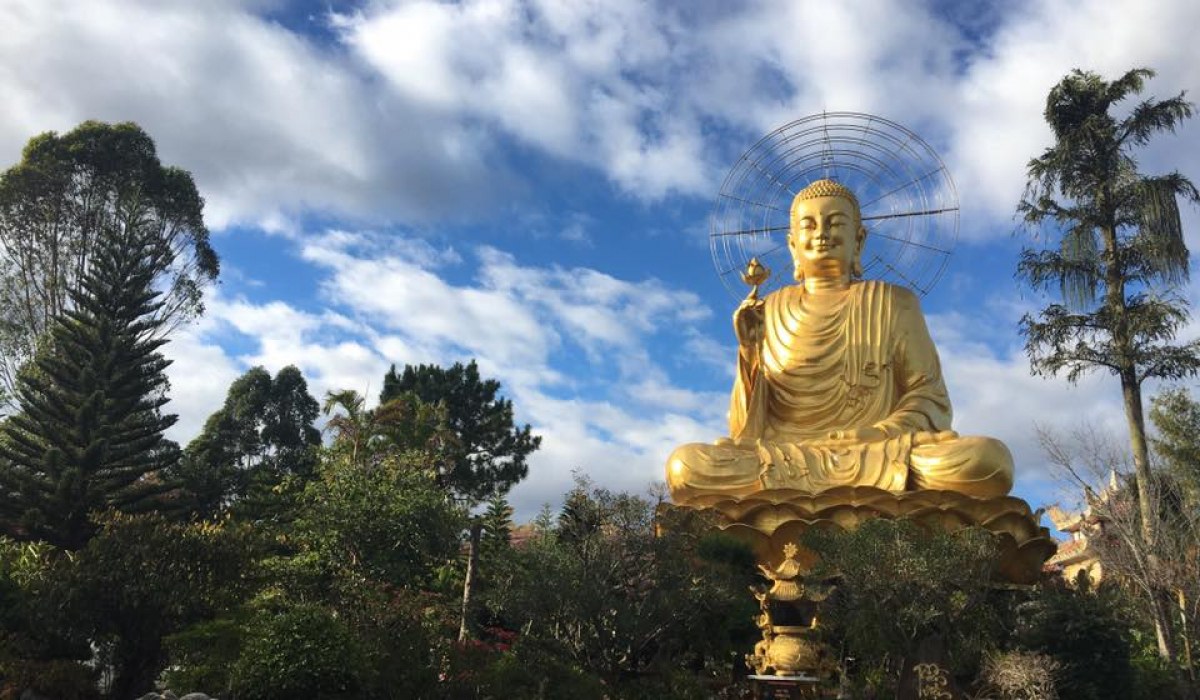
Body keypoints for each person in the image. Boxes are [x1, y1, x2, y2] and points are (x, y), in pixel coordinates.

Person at [666, 179, 1013, 505]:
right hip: (784, 455)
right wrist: (749, 351)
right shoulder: (767, 310)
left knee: (987, 460)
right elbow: (745, 430)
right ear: (792, 244)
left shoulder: (894, 302)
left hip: (878, 451)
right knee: (685, 466)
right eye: (809, 225)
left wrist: (879, 434)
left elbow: (929, 396)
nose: (822, 234)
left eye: (835, 223)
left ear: (858, 240)